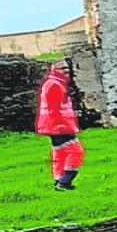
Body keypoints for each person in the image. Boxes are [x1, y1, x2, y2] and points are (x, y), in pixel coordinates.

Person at [34, 59, 83, 190]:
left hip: (53, 126)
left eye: (67, 67)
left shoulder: (53, 83)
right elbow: (53, 109)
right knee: (76, 151)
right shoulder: (55, 84)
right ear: (54, 69)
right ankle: (65, 181)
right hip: (59, 126)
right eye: (62, 68)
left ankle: (59, 181)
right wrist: (59, 125)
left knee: (59, 153)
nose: (66, 70)